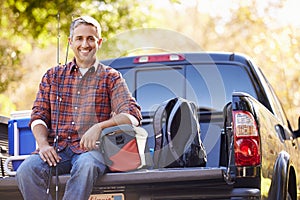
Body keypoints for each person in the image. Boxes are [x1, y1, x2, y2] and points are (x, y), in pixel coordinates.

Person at [16, 16, 142, 200]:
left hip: (91, 153)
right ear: (70, 42)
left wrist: (99, 127)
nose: (85, 44)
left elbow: (132, 115)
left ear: (99, 42)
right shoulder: (52, 76)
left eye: (91, 38)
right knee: (26, 170)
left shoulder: (111, 77)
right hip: (55, 150)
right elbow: (38, 116)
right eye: (80, 38)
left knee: (86, 166)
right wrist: (43, 145)